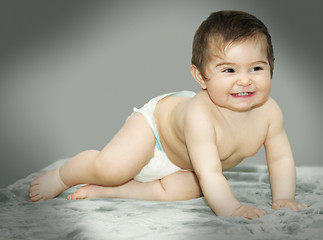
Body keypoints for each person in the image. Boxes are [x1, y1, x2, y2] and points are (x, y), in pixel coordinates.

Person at [29, 10, 307, 219]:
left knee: (187, 190)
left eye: (256, 68)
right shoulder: (201, 117)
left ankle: (109, 191)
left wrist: (284, 198)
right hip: (155, 131)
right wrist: (231, 208)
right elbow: (211, 173)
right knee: (111, 168)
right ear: (201, 77)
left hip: (185, 163)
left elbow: (281, 158)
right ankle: (64, 175)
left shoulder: (270, 113)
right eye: (229, 70)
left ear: (271, 68)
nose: (245, 80)